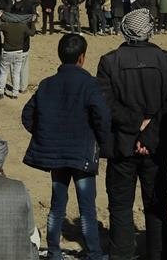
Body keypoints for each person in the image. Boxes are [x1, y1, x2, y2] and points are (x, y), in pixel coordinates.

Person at [97, 9, 167, 260]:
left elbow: (105, 103)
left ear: (125, 31)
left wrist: (137, 127)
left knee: (121, 207)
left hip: (122, 145)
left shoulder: (109, 61)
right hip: (156, 146)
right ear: (150, 30)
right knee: (156, 205)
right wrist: (147, 129)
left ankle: (122, 255)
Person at [22, 34, 111, 260]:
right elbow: (102, 117)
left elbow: (27, 115)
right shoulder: (89, 84)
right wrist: (102, 143)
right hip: (82, 154)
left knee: (57, 205)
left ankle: (54, 251)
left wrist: (45, 135)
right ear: (82, 58)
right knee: (87, 209)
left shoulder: (47, 84)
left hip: (56, 156)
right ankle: (94, 254)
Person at [0, 11, 35, 98]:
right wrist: (32, 22)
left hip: (7, 52)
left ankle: (1, 91)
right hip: (18, 52)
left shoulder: (6, 25)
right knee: (16, 73)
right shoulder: (22, 26)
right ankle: (15, 93)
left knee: (3, 72)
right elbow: (32, 33)